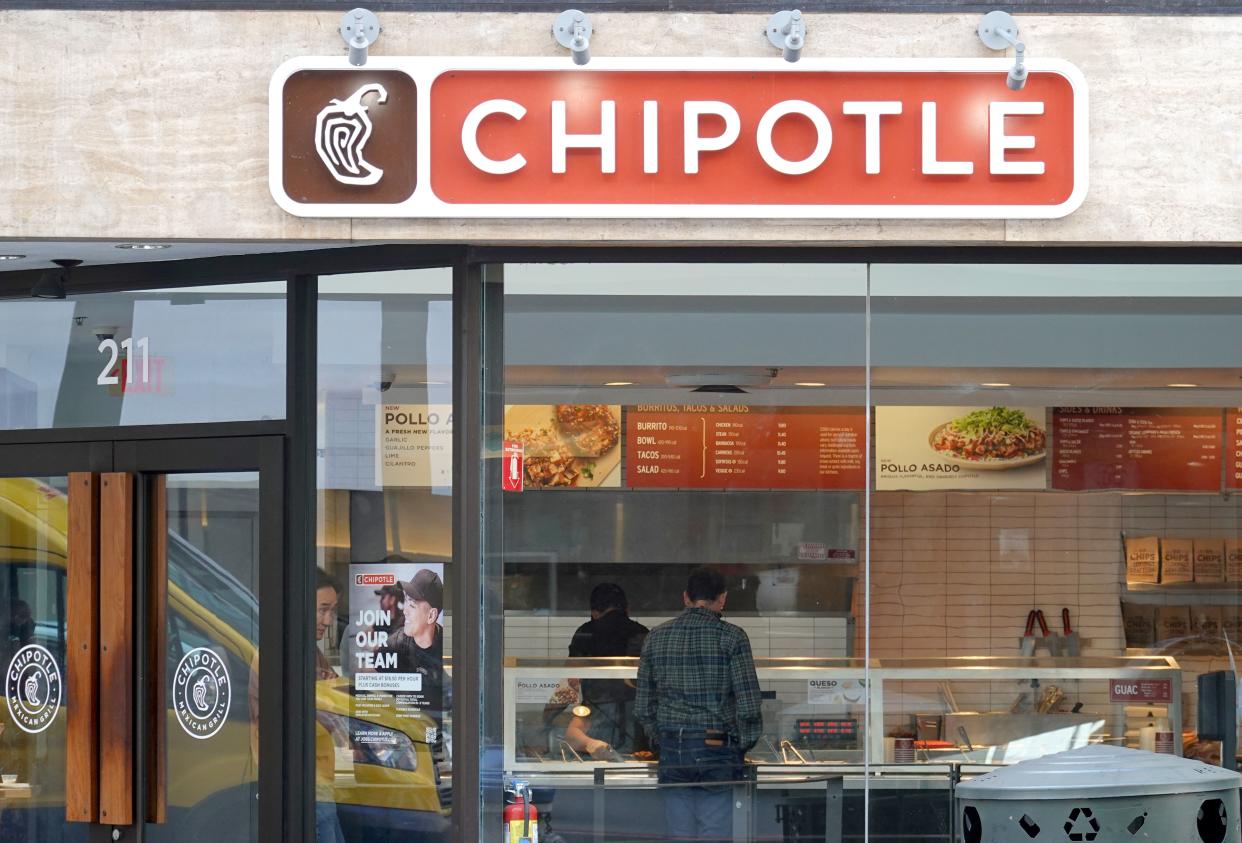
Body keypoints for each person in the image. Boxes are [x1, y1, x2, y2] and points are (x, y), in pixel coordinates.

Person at [635, 567, 762, 842]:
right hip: (717, 746)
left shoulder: (655, 637)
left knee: (679, 833)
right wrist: (741, 744)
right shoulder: (732, 637)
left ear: (685, 597)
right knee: (714, 832)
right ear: (722, 598)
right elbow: (749, 704)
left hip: (672, 747)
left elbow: (643, 706)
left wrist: (663, 738)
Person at [563, 583, 649, 758]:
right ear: (627, 609)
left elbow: (569, 683)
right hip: (638, 723)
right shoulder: (642, 633)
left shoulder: (586, 633)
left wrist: (548, 718)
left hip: (596, 715)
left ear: (594, 612)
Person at [378, 568, 446, 729]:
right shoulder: (393, 645)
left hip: (435, 731)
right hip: (400, 734)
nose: (404, 610)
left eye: (413, 605)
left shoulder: (447, 645)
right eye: (406, 601)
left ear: (431, 615)